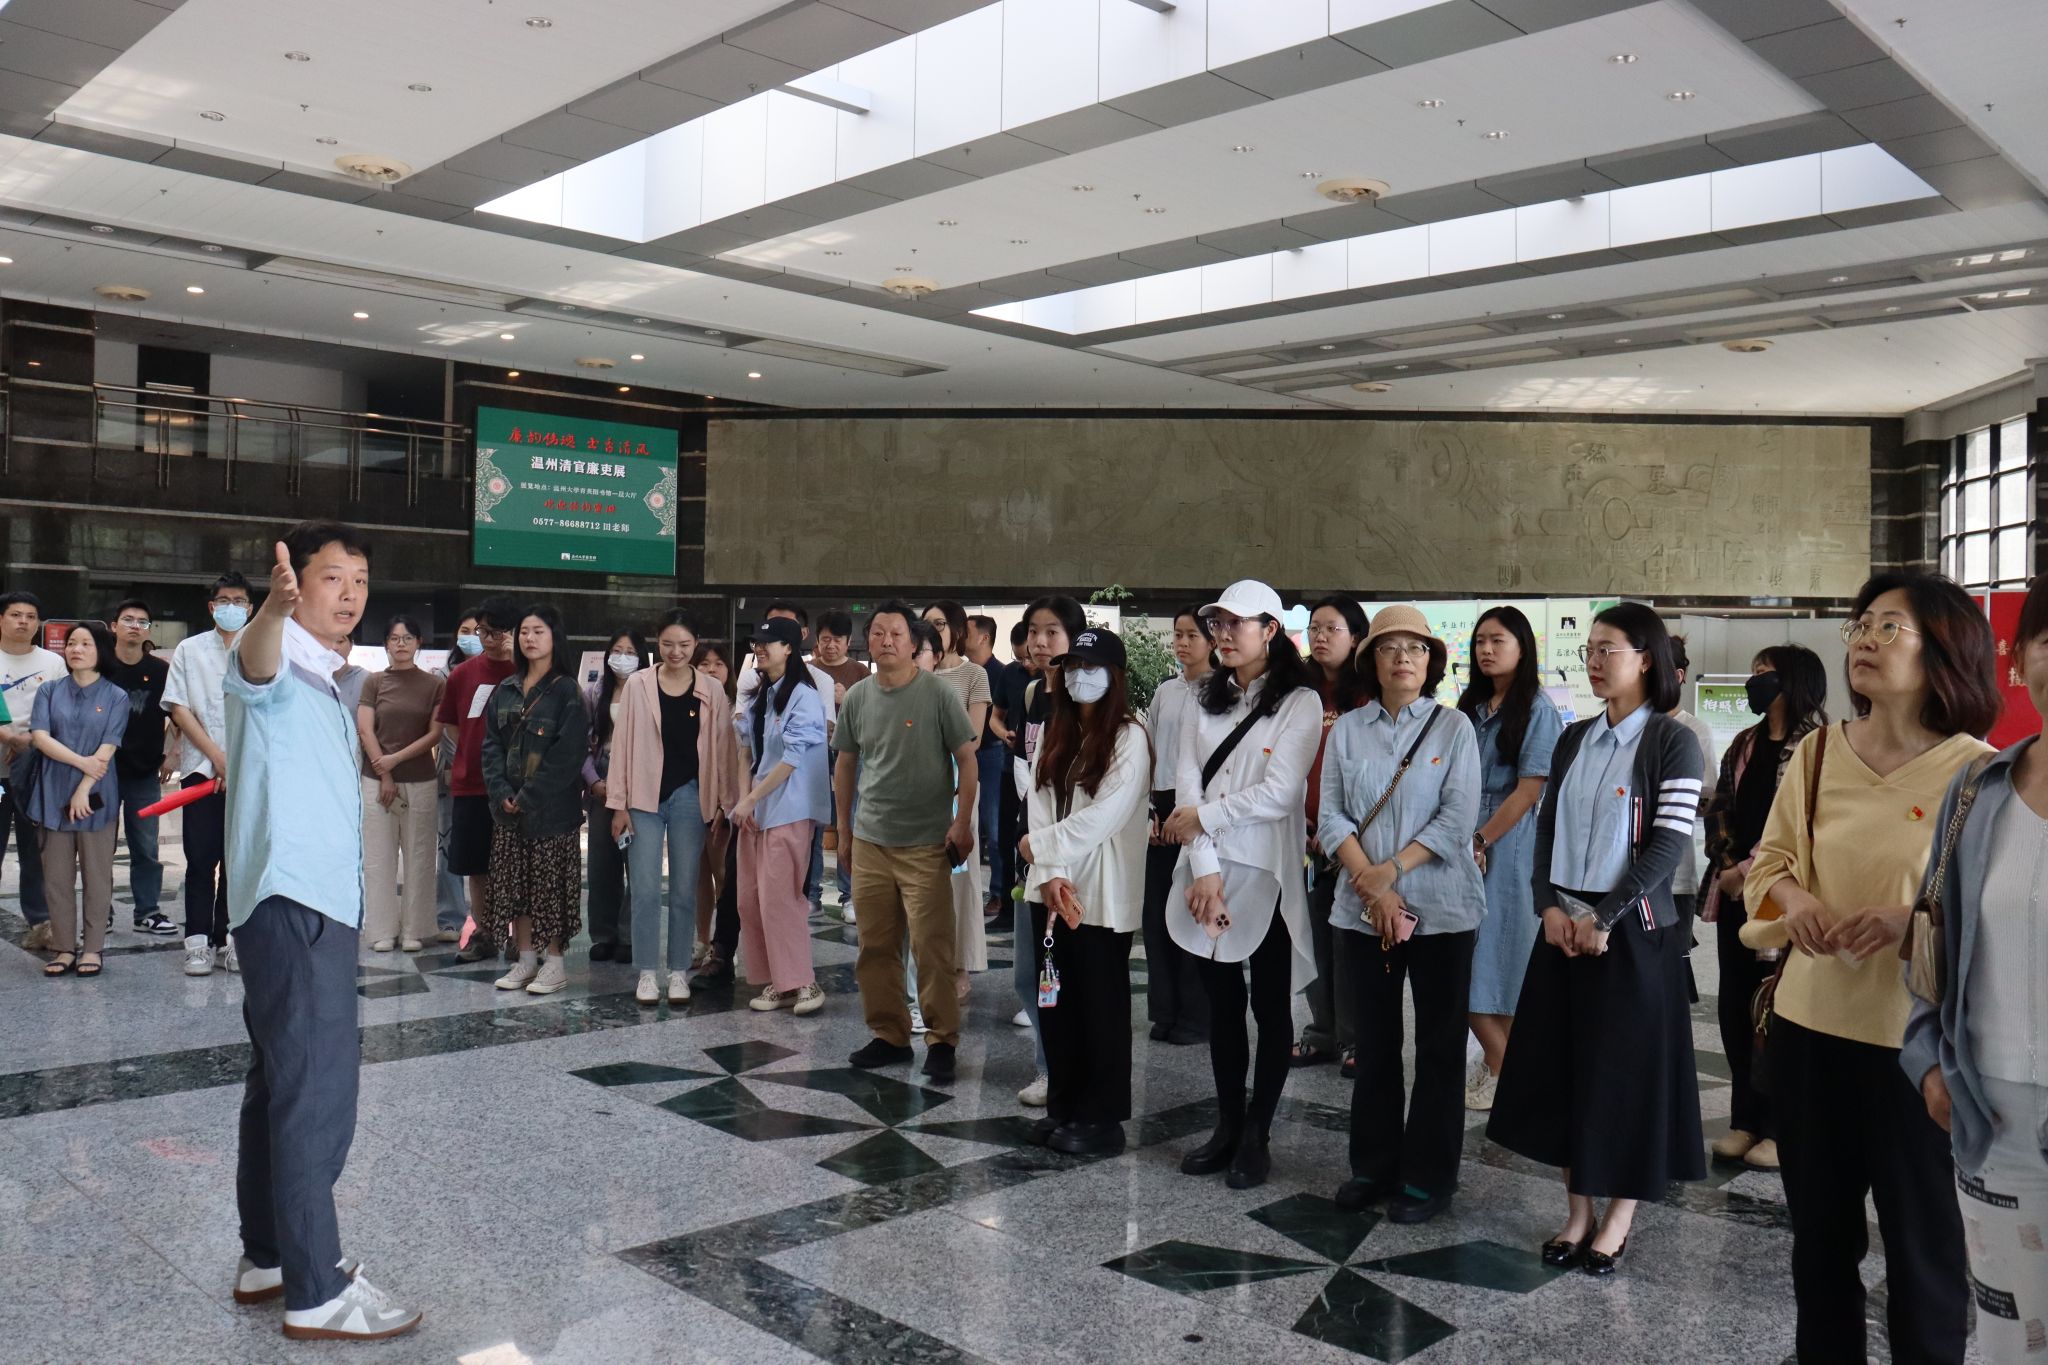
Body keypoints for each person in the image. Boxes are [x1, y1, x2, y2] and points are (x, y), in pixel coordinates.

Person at [1746, 572, 1998, 1361]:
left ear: (1944, 650)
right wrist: (1795, 899)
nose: (1865, 640)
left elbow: (2001, 913)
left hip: (1915, 1051)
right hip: (1808, 1032)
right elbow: (1768, 863)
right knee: (1820, 1250)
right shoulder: (1818, 752)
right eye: (1861, 625)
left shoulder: (1980, 774)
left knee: (1925, 1256)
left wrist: (1911, 921)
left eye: (1890, 627)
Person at [229, 524, 420, 1340]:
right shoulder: (273, 657)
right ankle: (315, 1289)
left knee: (278, 1082)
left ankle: (270, 1256)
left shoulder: (333, 678)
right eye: (332, 576)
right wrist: (270, 612)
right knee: (317, 1094)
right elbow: (254, 660)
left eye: (360, 579)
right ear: (293, 583)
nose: (350, 592)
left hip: (301, 900)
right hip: (297, 898)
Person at [1486, 602, 1706, 1276]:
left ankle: (1618, 1220)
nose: (1595, 660)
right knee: (1566, 1074)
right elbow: (1547, 828)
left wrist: (1604, 917)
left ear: (1647, 658)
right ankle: (1578, 1212)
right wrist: (1547, 907)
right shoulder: (1575, 736)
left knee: (1626, 1081)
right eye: (1591, 649)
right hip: (1563, 932)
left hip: (1631, 935)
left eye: (1609, 648)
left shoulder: (1671, 740)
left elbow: (1667, 843)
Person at [1905, 574, 2048, 1365]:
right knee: (2008, 1339)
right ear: (2019, 658)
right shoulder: (1979, 790)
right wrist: (1930, 1061)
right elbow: (1937, 937)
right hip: (1994, 1116)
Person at [1320, 607, 1484, 1222]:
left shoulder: (1454, 728)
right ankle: (1373, 1166)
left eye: (1416, 647)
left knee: (1440, 1046)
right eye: (1390, 648)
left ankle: (1430, 1177)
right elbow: (1331, 815)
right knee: (1374, 1043)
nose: (1403, 658)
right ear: (1372, 661)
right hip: (1364, 912)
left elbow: (1457, 818)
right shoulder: (1348, 730)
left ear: (1431, 660)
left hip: (1443, 909)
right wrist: (1374, 886)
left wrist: (1389, 873)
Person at [1163, 579, 1322, 1191]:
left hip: (1268, 873)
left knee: (1270, 1006)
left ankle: (1259, 1132)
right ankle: (1228, 1125)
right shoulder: (1200, 696)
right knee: (1222, 1006)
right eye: (1217, 623)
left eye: (1237, 623)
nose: (1223, 634)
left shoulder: (1300, 702)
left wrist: (1205, 818)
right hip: (1207, 873)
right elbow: (1186, 786)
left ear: (1270, 630)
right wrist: (1203, 867)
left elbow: (1281, 793)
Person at [1696, 643, 1829, 1171]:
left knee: (1776, 1007)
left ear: (1793, 680)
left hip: (1785, 895)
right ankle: (1744, 1119)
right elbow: (1720, 809)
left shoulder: (1817, 745)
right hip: (1736, 894)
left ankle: (1779, 1125)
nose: (1755, 681)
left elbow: (1797, 827)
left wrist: (1751, 869)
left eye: (1764, 673)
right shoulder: (1745, 743)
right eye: (1754, 671)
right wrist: (1729, 866)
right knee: (1734, 1005)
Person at [834, 600, 978, 1085]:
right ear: (868, 641)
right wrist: (845, 832)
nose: (886, 641)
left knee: (932, 948)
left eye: (896, 633)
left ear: (914, 643)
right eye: (877, 633)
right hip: (871, 840)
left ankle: (941, 1040)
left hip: (926, 844)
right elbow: (846, 765)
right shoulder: (858, 697)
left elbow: (968, 760)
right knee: (875, 946)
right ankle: (889, 1034)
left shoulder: (937, 693)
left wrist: (962, 823)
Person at [1022, 627, 1150, 1155]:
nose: (1079, 676)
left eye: (1091, 667)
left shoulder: (1129, 736)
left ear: (1114, 676)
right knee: (1056, 1004)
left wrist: (1040, 848)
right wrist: (1049, 868)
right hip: (1051, 887)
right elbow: (1037, 796)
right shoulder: (1058, 729)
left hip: (1098, 891)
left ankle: (1101, 1119)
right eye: (1072, 666)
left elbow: (1105, 816)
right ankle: (1065, 1105)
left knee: (1100, 1007)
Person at [1455, 605, 1564, 1111]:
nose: (1486, 649)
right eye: (1480, 640)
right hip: (1461, 836)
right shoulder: (1471, 706)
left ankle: (1503, 1070)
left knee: (1494, 961)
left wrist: (1481, 840)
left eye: (1498, 640)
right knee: (1474, 962)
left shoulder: (1537, 709)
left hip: (1509, 842)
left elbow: (1528, 790)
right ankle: (1508, 1068)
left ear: (1523, 648)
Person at [607, 613, 740, 1005]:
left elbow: (724, 750)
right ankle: (648, 972)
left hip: (691, 797)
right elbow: (622, 746)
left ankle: (679, 970)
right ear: (657, 643)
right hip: (642, 798)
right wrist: (618, 804)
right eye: (668, 644)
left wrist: (724, 803)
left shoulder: (711, 689)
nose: (676, 652)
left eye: (684, 645)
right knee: (645, 888)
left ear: (695, 642)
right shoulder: (638, 684)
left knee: (684, 888)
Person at [478, 606, 588, 996]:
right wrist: (502, 793)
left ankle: (554, 964)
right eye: (524, 631)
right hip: (509, 813)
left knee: (550, 890)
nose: (529, 638)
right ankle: (525, 960)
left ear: (555, 638)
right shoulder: (506, 688)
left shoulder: (567, 691)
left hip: (552, 812)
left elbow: (568, 756)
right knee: (517, 887)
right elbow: (490, 746)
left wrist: (528, 795)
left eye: (538, 631)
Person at [1009, 596, 1088, 1104]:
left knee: (1058, 965)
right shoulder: (1032, 692)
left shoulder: (1085, 697)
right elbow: (1027, 771)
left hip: (1067, 850)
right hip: (1030, 846)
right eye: (1034, 631)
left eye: (1052, 632)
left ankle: (1058, 1071)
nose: (1040, 642)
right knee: (1028, 971)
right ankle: (1049, 1064)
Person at [734, 616, 829, 1016]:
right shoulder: (760, 695)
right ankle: (778, 979)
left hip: (789, 809)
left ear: (789, 648)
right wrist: (745, 799)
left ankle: (804, 981)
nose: (759, 648)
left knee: (781, 897)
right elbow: (746, 751)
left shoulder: (803, 696)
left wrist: (751, 799)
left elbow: (792, 759)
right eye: (757, 643)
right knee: (749, 899)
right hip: (756, 808)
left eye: (768, 643)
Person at [1294, 594, 1371, 1073]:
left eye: (1332, 629)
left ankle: (1354, 1039)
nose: (1320, 637)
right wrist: (1299, 821)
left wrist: (1339, 830)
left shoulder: (1368, 694)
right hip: (1303, 837)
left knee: (1348, 942)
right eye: (1314, 628)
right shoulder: (1298, 691)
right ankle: (1321, 1032)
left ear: (1356, 637)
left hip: (1352, 840)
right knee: (1311, 938)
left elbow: (1371, 772)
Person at [164, 572, 254, 974]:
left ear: (250, 608)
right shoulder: (190, 648)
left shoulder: (262, 648)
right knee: (201, 858)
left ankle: (231, 937)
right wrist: (218, 758)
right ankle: (197, 941)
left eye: (239, 601)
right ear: (211, 606)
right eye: (224, 600)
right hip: (201, 769)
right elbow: (179, 708)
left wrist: (236, 762)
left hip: (249, 771)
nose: (231, 607)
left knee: (239, 859)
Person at [29, 621, 128, 976]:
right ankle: (63, 948)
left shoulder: (116, 696)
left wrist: (84, 786)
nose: (76, 649)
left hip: (96, 794)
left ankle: (93, 949)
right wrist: (80, 762)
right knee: (56, 878)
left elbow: (108, 747)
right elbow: (40, 737)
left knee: (97, 877)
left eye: (86, 643)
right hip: (52, 792)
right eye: (72, 643)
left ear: (101, 650)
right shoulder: (49, 691)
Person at [1142, 606, 1213, 1047]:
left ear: (1212, 641)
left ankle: (1197, 1015)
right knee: (1155, 916)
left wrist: (1189, 816)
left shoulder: (1221, 692)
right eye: (1177, 634)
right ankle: (1164, 1010)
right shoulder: (1165, 691)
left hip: (1198, 809)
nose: (1182, 643)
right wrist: (1149, 809)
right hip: (1159, 805)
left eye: (1192, 635)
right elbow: (1149, 752)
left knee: (1191, 914)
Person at [434, 599, 519, 963]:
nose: (488, 639)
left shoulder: (527, 672)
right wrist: (472, 750)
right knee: (477, 865)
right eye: (483, 631)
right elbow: (453, 725)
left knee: (516, 865)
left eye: (497, 632)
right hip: (471, 782)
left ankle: (519, 936)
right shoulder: (462, 675)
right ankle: (485, 934)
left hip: (515, 786)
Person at [354, 614, 445, 953]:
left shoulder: (434, 684)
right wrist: (386, 772)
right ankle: (381, 930)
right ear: (386, 645)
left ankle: (414, 930)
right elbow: (365, 730)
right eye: (394, 638)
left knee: (420, 856)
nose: (401, 644)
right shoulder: (374, 682)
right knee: (379, 856)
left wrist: (395, 760)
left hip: (421, 779)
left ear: (419, 642)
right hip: (377, 781)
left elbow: (434, 734)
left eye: (407, 638)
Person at [923, 599, 992, 1000]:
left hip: (957, 783)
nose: (932, 631)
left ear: (957, 630)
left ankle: (961, 963)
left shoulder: (973, 674)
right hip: (919, 787)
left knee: (960, 876)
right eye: (926, 624)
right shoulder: (917, 673)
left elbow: (974, 736)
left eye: (939, 624)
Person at [103, 598, 178, 936]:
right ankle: (99, 912)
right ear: (113, 626)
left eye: (142, 622)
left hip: (144, 771)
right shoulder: (100, 667)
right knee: (99, 846)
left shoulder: (160, 670)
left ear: (148, 630)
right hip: (101, 771)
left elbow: (179, 712)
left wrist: (173, 752)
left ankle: (147, 911)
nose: (135, 626)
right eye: (128, 619)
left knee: (146, 847)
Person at [2, 591, 66, 949]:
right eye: (15, 614)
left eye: (30, 616)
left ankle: (41, 922)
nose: (23, 621)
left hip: (35, 774)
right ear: (1, 619)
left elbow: (60, 710)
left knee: (35, 850)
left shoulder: (52, 663)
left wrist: (28, 741)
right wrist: (9, 738)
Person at [584, 629, 646, 963]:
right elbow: (582, 742)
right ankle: (603, 934)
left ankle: (629, 935)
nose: (623, 657)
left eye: (631, 652)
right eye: (617, 650)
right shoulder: (594, 692)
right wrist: (593, 781)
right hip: (602, 778)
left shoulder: (650, 691)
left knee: (636, 860)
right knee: (601, 863)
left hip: (639, 779)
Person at [689, 638, 744, 987]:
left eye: (718, 664)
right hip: (691, 798)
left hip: (725, 802)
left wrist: (727, 802)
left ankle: (724, 943)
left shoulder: (736, 708)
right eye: (704, 664)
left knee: (723, 872)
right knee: (698, 874)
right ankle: (701, 938)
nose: (711, 669)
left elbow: (736, 761)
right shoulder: (687, 704)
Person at [812, 610, 870, 920]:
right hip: (815, 750)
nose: (830, 645)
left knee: (851, 819)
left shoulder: (860, 672)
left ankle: (851, 896)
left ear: (848, 642)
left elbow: (872, 716)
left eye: (837, 640)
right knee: (815, 821)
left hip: (852, 751)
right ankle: (811, 894)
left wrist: (846, 698)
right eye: (825, 639)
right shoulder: (808, 670)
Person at [1665, 636, 1720, 932]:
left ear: (1678, 676)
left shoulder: (1694, 730)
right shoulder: (1631, 725)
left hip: (1675, 875)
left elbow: (1708, 797)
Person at [433, 613, 482, 943]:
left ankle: (487, 918)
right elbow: (444, 726)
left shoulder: (501, 672)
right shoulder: (444, 676)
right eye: (465, 631)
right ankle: (450, 916)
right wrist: (458, 763)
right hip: (452, 775)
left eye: (478, 631)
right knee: (448, 847)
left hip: (487, 774)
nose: (471, 637)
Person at [966, 613, 1011, 917]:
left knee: (994, 829)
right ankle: (963, 892)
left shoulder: (1000, 673)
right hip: (963, 754)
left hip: (993, 755)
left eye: (967, 632)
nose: (961, 636)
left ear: (984, 637)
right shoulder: (962, 671)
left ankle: (998, 893)